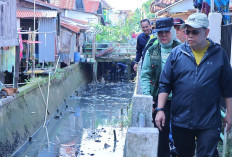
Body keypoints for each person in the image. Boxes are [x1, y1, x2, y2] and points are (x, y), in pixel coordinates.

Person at [155, 13, 232, 156]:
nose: (190, 35)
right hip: (181, 120)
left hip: (208, 121)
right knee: (183, 153)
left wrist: (229, 113)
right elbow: (165, 84)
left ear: (206, 32)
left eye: (195, 32)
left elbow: (228, 87)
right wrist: (160, 109)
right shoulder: (177, 53)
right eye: (187, 31)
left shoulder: (219, 55)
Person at [140, 17, 181, 157]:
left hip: (179, 99)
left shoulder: (182, 49)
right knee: (160, 133)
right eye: (160, 33)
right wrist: (148, 97)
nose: (163, 35)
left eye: (166, 32)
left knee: (180, 133)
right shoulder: (152, 51)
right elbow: (145, 75)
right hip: (159, 100)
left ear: (172, 31)